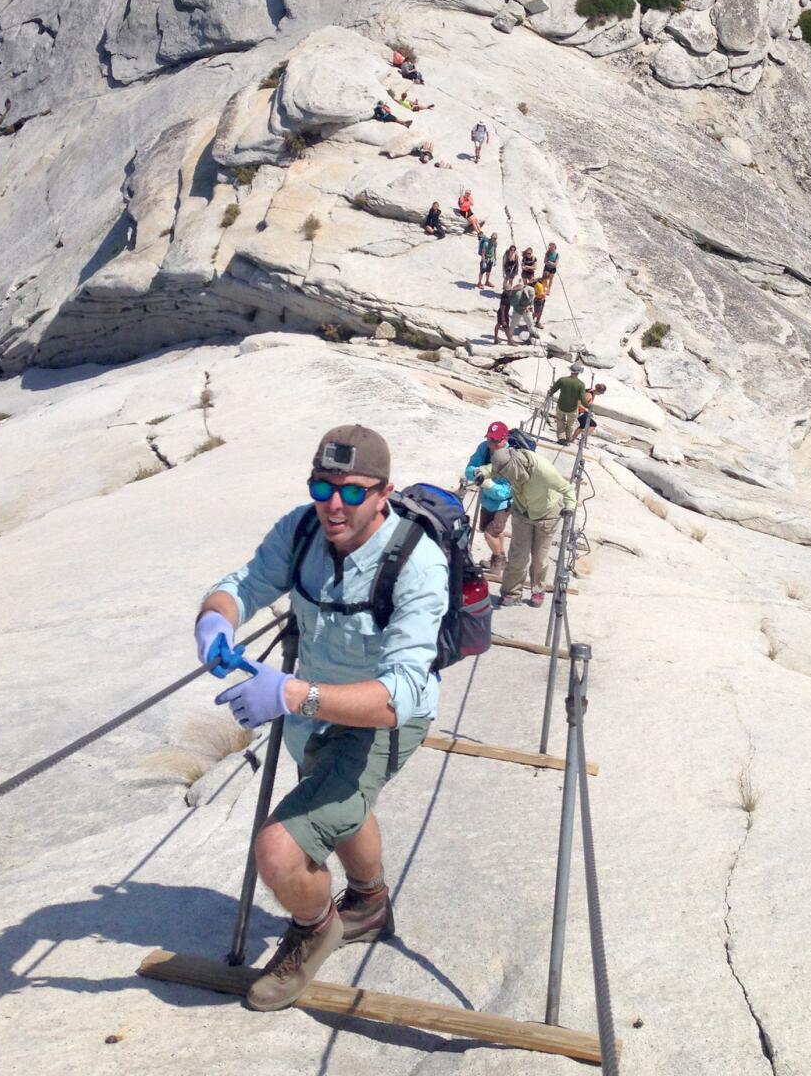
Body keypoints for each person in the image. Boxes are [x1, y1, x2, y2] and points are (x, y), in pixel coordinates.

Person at [193, 426, 448, 1011]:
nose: (334, 504)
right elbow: (247, 584)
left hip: (382, 720)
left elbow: (398, 696)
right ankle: (369, 902)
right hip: (313, 708)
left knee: (279, 852)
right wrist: (216, 620)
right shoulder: (302, 529)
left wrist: (289, 695)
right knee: (339, 800)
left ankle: (316, 928)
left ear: (383, 493)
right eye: (321, 486)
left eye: (353, 492)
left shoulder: (417, 562)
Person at [491, 443, 575, 608]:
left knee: (539, 559)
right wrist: (481, 473)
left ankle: (538, 589)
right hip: (522, 512)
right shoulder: (507, 464)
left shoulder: (543, 471)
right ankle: (511, 592)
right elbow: (492, 469)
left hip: (546, 516)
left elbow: (567, 489)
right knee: (517, 557)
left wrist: (569, 507)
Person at [464, 420, 514, 568]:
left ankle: (498, 560)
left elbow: (507, 491)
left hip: (503, 504)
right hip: (486, 501)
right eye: (489, 439)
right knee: (495, 532)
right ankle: (500, 556)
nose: (491, 444)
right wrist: (476, 473)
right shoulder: (484, 448)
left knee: (489, 534)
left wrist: (489, 485)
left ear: (505, 439)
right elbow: (469, 469)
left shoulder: (511, 457)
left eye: (495, 441)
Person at [550, 364, 591, 443]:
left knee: (560, 421)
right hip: (572, 408)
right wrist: (589, 406)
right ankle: (568, 439)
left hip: (561, 405)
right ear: (579, 372)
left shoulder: (562, 380)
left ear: (571, 371)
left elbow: (553, 390)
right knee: (570, 424)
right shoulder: (581, 384)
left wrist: (550, 393)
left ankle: (561, 438)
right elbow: (583, 400)